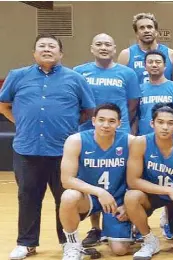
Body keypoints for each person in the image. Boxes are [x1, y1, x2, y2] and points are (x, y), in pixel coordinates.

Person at [0, 34, 96, 260]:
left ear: (61, 53)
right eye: (41, 46)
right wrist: (23, 123)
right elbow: (4, 106)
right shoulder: (17, 76)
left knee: (65, 198)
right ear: (34, 53)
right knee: (28, 196)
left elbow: (88, 111)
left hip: (64, 152)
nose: (46, 49)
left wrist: (67, 127)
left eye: (52, 46)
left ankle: (67, 242)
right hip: (27, 149)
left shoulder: (75, 78)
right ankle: (26, 243)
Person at [73, 33, 141, 246]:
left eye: (108, 44)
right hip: (89, 131)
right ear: (91, 48)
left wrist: (117, 123)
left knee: (122, 176)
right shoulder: (79, 72)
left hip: (119, 132)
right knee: (92, 174)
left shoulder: (127, 73)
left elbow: (132, 104)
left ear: (115, 49)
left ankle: (131, 221)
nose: (103, 47)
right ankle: (95, 227)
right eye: (99, 44)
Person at [124, 103, 173, 259]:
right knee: (131, 197)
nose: (165, 127)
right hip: (154, 194)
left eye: (170, 123)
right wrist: (168, 191)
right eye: (160, 122)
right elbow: (133, 181)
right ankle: (149, 239)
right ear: (152, 123)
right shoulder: (140, 143)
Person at [59, 103, 134, 259]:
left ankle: (115, 230)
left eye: (112, 121)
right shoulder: (76, 140)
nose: (106, 125)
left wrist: (128, 205)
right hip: (90, 197)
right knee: (68, 196)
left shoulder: (130, 142)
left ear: (119, 123)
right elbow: (66, 180)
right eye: (101, 120)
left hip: (117, 200)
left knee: (120, 250)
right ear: (93, 121)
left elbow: (140, 178)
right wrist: (99, 192)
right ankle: (73, 245)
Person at [137, 50, 173, 137]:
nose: (154, 65)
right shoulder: (139, 89)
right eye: (150, 62)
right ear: (144, 66)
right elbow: (135, 116)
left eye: (158, 62)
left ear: (165, 66)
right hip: (145, 139)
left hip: (171, 140)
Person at [118, 13, 173, 84]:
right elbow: (121, 85)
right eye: (142, 28)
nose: (146, 30)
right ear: (136, 33)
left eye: (149, 27)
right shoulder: (126, 55)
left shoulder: (171, 54)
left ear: (156, 31)